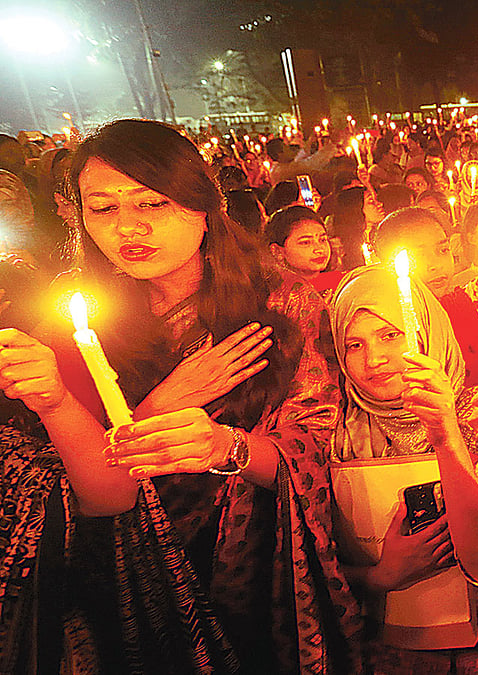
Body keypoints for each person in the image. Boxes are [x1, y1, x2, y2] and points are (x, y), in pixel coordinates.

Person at [1, 118, 361, 672]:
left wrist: (225, 447)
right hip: (131, 577)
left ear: (201, 204)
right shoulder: (74, 322)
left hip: (259, 566)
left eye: (151, 204)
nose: (128, 228)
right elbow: (90, 493)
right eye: (103, 208)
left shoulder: (283, 306)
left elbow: (318, 450)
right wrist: (162, 405)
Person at [326, 263, 478, 673]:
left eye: (391, 335)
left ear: (428, 330)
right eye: (354, 345)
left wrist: (447, 435)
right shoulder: (335, 434)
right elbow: (318, 561)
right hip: (386, 643)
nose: (375, 358)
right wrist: (381, 576)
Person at [373, 206, 478, 387]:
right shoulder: (384, 330)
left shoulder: (466, 301)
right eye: (416, 256)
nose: (435, 265)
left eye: (443, 250)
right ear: (388, 264)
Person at [265, 204, 344, 299]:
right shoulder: (278, 298)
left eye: (322, 240)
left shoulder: (342, 283)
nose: (319, 249)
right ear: (277, 251)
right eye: (306, 242)